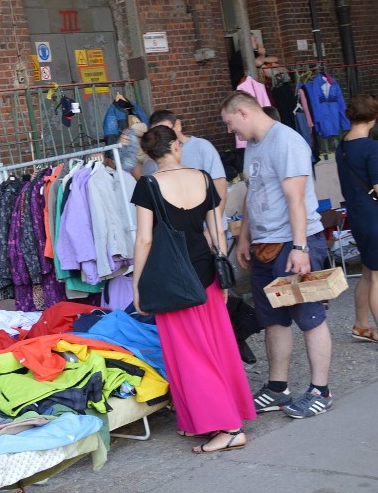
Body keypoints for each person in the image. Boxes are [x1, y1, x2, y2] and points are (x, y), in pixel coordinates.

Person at [132, 125, 255, 454]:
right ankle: (201, 420)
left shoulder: (148, 185)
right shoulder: (202, 177)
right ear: (174, 146)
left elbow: (144, 239)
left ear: (149, 154)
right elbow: (215, 228)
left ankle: (229, 427)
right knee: (216, 347)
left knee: (189, 355)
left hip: (173, 278)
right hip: (207, 272)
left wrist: (137, 286)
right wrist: (223, 272)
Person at [221, 91, 332, 419]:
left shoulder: (286, 141)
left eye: (230, 124)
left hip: (292, 244)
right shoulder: (254, 145)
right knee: (274, 320)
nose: (230, 132)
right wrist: (244, 237)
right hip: (264, 246)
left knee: (310, 318)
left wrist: (299, 247)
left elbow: (295, 197)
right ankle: (277, 389)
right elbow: (253, 193)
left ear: (243, 113)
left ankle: (320, 391)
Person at [336, 94, 378, 343]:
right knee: (376, 277)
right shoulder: (371, 147)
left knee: (367, 272)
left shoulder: (343, 145)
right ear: (372, 118)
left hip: (357, 214)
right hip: (373, 215)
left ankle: (361, 325)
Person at [140, 110, 228, 210]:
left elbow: (220, 185)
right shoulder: (153, 158)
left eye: (166, 131)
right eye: (157, 135)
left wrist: (215, 221)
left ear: (178, 125)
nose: (163, 137)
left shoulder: (202, 147)